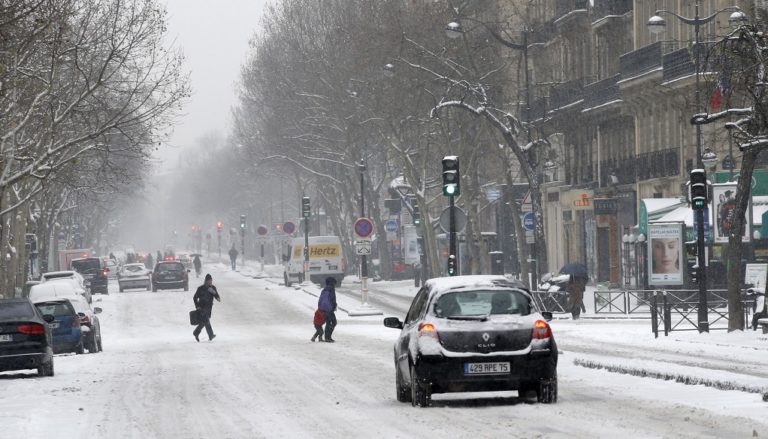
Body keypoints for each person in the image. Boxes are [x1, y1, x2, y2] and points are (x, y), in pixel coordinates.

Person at [193, 273, 221, 342]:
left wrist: (214, 292)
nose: (210, 282)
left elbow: (218, 299)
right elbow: (195, 298)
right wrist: (197, 306)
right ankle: (211, 335)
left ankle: (196, 333)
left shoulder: (213, 288)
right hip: (201, 308)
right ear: (206, 281)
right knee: (206, 321)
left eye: (211, 280)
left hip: (209, 308)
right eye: (209, 280)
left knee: (203, 322)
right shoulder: (200, 288)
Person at [318, 277, 337, 342]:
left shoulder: (324, 289)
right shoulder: (332, 289)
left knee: (328, 322)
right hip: (329, 309)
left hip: (323, 309)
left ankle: (327, 337)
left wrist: (320, 308)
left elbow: (320, 300)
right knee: (333, 322)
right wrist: (334, 306)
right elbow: (333, 299)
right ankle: (328, 337)